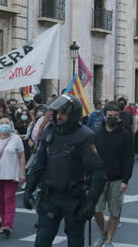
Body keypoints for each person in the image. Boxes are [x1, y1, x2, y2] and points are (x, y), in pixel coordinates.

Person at [23, 94, 106, 247]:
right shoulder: (50, 131)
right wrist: (29, 188)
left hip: (73, 199)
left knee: (75, 242)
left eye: (63, 113)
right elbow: (39, 164)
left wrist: (91, 202)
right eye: (57, 112)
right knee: (42, 242)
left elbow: (98, 172)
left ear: (73, 114)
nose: (59, 116)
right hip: (49, 197)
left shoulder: (85, 136)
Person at [93, 102, 134, 247]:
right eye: (109, 115)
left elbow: (129, 158)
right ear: (104, 116)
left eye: (115, 116)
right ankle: (103, 233)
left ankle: (109, 240)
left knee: (114, 211)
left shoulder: (125, 134)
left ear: (118, 117)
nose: (112, 118)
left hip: (117, 179)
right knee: (96, 210)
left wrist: (125, 180)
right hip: (99, 179)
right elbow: (92, 156)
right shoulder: (97, 133)